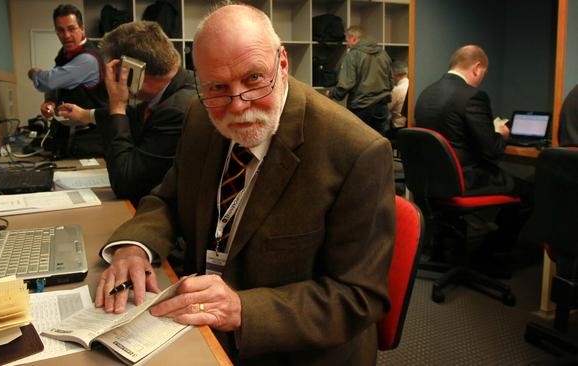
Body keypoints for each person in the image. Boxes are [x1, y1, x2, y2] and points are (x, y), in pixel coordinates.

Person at [94, 4, 395, 365]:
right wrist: (134, 246)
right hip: (200, 328)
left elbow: (358, 296)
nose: (238, 106)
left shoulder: (356, 152)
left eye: (254, 79)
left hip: (297, 350)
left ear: (282, 63)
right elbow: (168, 198)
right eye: (218, 87)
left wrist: (242, 309)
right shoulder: (200, 117)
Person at [414, 44, 533, 271]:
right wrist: (500, 133)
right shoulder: (473, 96)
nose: (482, 80)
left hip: (432, 181)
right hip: (463, 181)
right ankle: (489, 256)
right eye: (484, 74)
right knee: (527, 192)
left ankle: (451, 249)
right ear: (477, 68)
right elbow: (493, 151)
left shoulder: (426, 93)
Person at [57, 21, 196, 206]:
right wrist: (85, 115)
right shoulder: (180, 85)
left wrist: (117, 105)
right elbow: (135, 114)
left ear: (133, 71)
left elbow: (125, 184)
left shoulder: (175, 112)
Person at [27, 3, 108, 158]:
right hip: (69, 139)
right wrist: (51, 101)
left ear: (82, 28)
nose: (66, 35)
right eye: (60, 30)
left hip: (91, 141)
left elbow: (50, 81)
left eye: (71, 29)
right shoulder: (65, 53)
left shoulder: (88, 59)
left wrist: (34, 73)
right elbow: (58, 85)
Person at [326, 25, 393, 135]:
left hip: (361, 108)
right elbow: (390, 82)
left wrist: (332, 93)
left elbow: (346, 84)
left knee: (359, 147)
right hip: (382, 108)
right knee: (379, 146)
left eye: (347, 40)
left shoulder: (353, 55)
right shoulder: (383, 54)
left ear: (354, 38)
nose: (346, 44)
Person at [387, 60, 409, 129]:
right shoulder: (411, 86)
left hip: (397, 127)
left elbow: (387, 108)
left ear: (393, 73)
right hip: (408, 125)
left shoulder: (397, 90)